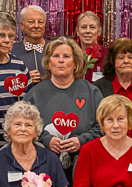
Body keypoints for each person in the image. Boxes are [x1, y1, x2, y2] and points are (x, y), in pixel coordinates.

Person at [23, 37, 103, 177]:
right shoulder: (35, 93)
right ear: (48, 62)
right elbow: (22, 127)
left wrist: (81, 141)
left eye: (66, 56)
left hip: (85, 167)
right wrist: (45, 139)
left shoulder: (92, 92)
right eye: (56, 56)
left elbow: (103, 127)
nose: (61, 60)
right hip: (41, 170)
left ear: (75, 63)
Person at [0, 12, 36, 150]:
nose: (7, 40)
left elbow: (30, 102)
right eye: (1, 35)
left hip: (19, 142)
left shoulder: (19, 65)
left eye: (11, 36)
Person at [11, 5, 48, 78]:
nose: (36, 26)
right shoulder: (11, 52)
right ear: (22, 25)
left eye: (40, 22)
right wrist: (24, 80)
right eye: (31, 22)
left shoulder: (55, 49)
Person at [76, 11, 107, 83]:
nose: (87, 31)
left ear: (99, 31)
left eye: (92, 27)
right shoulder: (72, 55)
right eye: (83, 27)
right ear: (77, 31)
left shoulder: (107, 56)